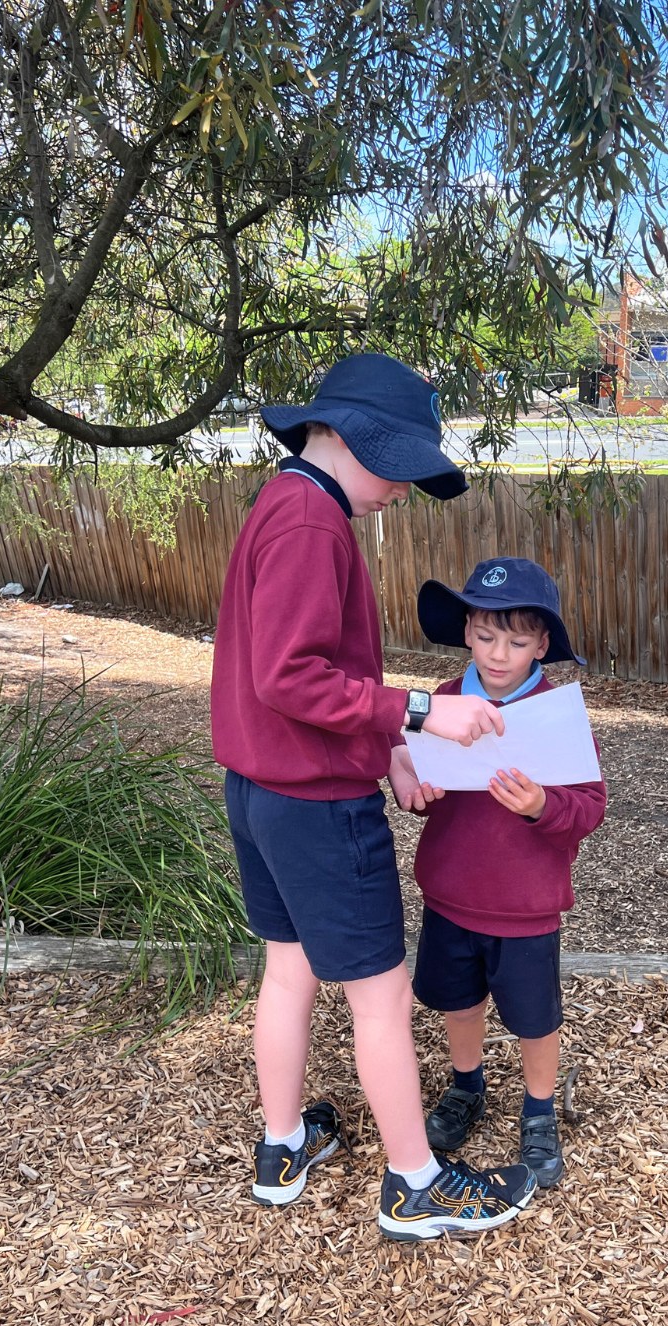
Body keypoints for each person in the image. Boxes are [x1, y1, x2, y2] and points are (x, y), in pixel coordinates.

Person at [210, 353, 537, 1241]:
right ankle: (415, 1182)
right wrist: (426, 712)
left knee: (288, 969)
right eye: (400, 463)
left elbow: (305, 676)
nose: (403, 486)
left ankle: (283, 1148)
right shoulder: (315, 525)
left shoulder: (284, 503)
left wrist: (388, 746)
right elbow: (293, 678)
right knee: (381, 998)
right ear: (353, 438)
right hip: (316, 807)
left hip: (259, 793)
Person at [405, 557, 607, 1187]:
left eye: (518, 642)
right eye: (488, 636)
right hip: (451, 892)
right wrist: (414, 787)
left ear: (541, 645)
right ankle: (467, 1086)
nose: (499, 654)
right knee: (458, 1003)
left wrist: (542, 806)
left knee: (533, 1017)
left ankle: (540, 1110)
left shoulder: (556, 713)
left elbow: (590, 806)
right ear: (467, 630)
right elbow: (413, 772)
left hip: (525, 903)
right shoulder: (440, 702)